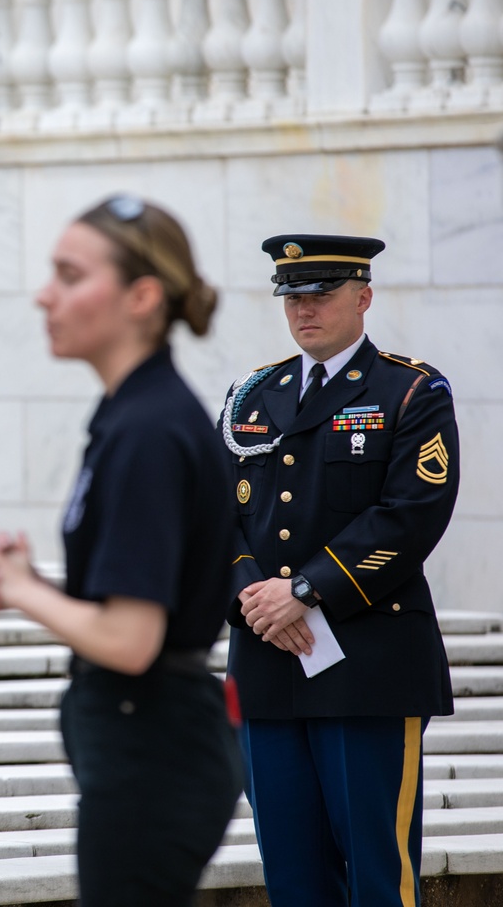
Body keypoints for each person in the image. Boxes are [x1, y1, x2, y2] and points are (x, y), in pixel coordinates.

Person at [0, 195, 244, 907]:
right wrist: (35, 581)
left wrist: (23, 591)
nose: (43, 295)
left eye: (69, 274)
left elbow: (129, 638)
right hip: (148, 742)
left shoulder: (148, 428)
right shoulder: (133, 413)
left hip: (153, 748)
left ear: (141, 296)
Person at [222, 234, 459, 907]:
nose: (303, 311)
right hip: (267, 668)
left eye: (320, 295)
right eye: (292, 296)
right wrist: (255, 600)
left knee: (380, 881)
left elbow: (410, 516)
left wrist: (304, 591)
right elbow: (214, 520)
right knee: (294, 882)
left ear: (364, 297)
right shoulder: (251, 398)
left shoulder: (411, 391)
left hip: (367, 666)